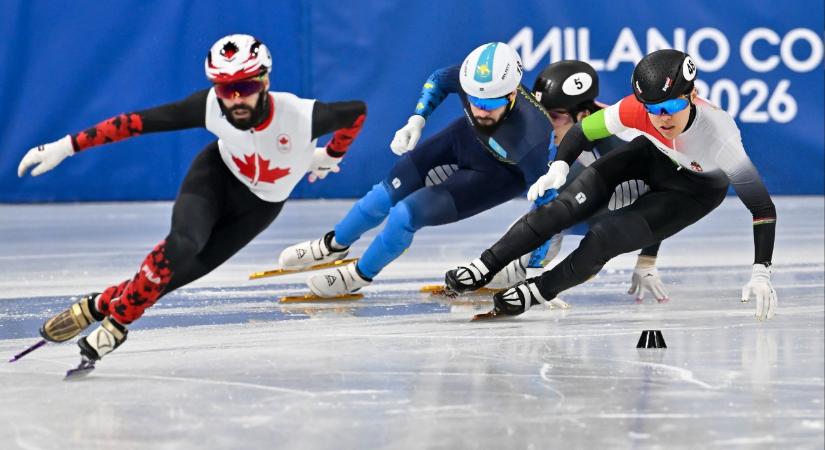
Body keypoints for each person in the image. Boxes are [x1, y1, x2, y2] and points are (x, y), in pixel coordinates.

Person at [17, 34, 367, 362]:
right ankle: (118, 323)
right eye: (225, 89)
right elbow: (137, 122)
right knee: (182, 245)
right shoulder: (210, 106)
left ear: (264, 82)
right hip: (215, 177)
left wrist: (332, 154)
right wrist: (67, 145)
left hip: (259, 208)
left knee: (176, 276)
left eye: (244, 87)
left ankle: (98, 306)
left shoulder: (303, 117)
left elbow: (357, 111)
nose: (235, 100)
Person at [445, 49, 778, 321]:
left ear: (693, 94)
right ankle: (483, 267)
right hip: (651, 158)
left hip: (696, 191)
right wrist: (558, 169)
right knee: (561, 207)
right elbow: (581, 131)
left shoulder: (721, 136)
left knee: (606, 237)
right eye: (652, 109)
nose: (662, 118)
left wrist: (761, 270)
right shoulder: (638, 111)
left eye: (671, 106)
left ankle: (539, 290)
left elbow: (762, 208)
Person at [276, 42, 553, 297]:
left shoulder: (532, 137)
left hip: (497, 177)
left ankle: (359, 275)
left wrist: (535, 267)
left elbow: (546, 207)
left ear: (512, 94)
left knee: (402, 217)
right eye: (473, 101)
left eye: (489, 105)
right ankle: (333, 245)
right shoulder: (474, 80)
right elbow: (437, 80)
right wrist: (417, 119)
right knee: (381, 196)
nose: (479, 111)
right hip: (463, 141)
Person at [487, 60, 669, 303]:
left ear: (582, 115)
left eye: (552, 116)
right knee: (551, 199)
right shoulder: (567, 128)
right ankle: (515, 268)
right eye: (540, 113)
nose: (545, 125)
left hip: (637, 205)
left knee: (572, 211)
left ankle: (538, 276)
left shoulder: (619, 141)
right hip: (606, 195)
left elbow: (662, 196)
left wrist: (647, 261)